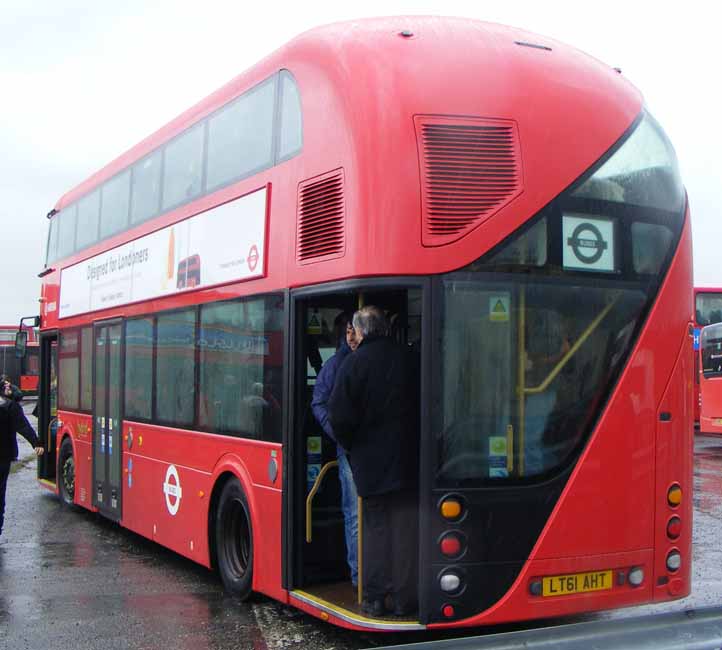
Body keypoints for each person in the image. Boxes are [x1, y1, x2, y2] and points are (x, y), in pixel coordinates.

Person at [328, 306, 419, 617]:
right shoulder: (409, 359)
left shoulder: (354, 365)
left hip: (370, 464)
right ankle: (406, 599)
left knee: (375, 531)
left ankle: (375, 599)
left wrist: (355, 447)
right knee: (406, 530)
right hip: (409, 461)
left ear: (362, 331)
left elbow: (338, 417)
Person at [311, 312, 360, 587]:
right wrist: (337, 432)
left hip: (365, 449)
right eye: (347, 332)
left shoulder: (361, 360)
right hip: (348, 450)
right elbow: (318, 403)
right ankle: (357, 577)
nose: (352, 337)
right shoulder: (335, 365)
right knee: (354, 514)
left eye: (355, 331)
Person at [0, 378, 44, 540]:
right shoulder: (10, 406)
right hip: (3, 457)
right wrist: (36, 442)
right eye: (5, 385)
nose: (8, 386)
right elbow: (23, 426)